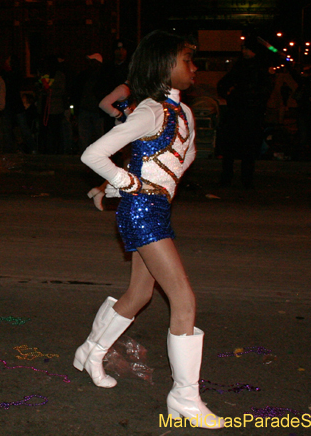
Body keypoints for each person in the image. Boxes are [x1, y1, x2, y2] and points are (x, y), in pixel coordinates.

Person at [76, 30, 224, 429]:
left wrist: (118, 184)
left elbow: (174, 160)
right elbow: (94, 153)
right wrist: (125, 185)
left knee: (140, 292)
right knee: (184, 300)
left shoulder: (184, 113)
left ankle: (90, 350)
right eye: (186, 60)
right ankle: (184, 396)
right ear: (163, 67)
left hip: (153, 207)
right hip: (142, 211)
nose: (193, 68)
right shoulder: (149, 111)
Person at [215, 37, 273, 188]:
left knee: (242, 147)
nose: (244, 52)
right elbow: (224, 83)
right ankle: (236, 177)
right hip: (243, 111)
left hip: (247, 111)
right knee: (237, 147)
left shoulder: (257, 67)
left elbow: (264, 90)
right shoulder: (244, 66)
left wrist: (233, 96)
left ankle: (239, 178)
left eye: (247, 49)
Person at [87, 80, 133, 210]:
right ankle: (102, 191)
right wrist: (117, 114)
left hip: (133, 131)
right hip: (125, 132)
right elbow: (104, 103)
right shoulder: (124, 89)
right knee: (128, 166)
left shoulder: (137, 89)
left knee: (128, 167)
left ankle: (100, 191)